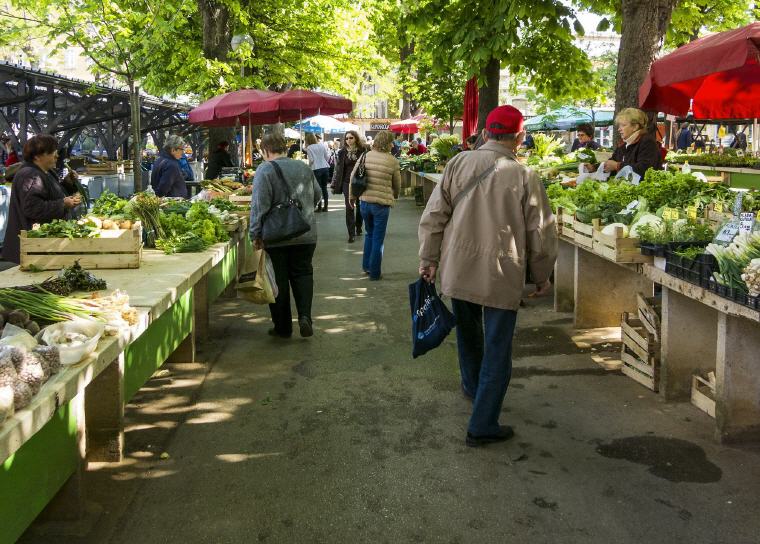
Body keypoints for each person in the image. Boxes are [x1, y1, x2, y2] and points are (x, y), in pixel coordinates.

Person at [418, 106, 557, 447]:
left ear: (486, 133)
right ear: (520, 137)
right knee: (498, 347)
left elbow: (434, 215)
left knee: (468, 334)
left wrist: (428, 259)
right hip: (500, 272)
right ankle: (483, 423)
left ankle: (472, 386)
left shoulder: (458, 163)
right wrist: (541, 276)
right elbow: (541, 233)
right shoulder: (525, 176)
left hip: (458, 266)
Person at [250, 132, 321, 339]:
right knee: (303, 274)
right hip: (306, 232)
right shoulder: (303, 167)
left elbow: (259, 206)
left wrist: (254, 234)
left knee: (277, 280)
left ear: (265, 150)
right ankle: (305, 317)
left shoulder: (265, 170)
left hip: (276, 236)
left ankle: (283, 327)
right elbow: (316, 195)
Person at [2, 134, 82, 263]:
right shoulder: (30, 175)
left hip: (41, 246)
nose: (57, 155)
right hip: (33, 247)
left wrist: (68, 183)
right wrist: (63, 204)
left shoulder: (45, 172)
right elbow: (33, 209)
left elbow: (52, 193)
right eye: (52, 152)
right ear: (37, 156)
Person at [349, 130, 400, 280]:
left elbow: (353, 176)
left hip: (364, 203)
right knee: (378, 238)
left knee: (369, 235)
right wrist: (395, 195)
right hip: (381, 205)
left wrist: (352, 197)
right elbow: (397, 184)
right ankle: (375, 273)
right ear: (389, 143)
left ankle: (367, 267)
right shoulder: (392, 161)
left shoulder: (365, 156)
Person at [603, 108, 662, 178]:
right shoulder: (625, 145)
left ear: (635, 127)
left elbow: (645, 169)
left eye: (623, 125)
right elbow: (612, 161)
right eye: (619, 126)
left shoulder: (647, 142)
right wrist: (594, 167)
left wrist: (617, 166)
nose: (619, 129)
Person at [330, 130, 367, 243]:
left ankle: (358, 227)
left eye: (351, 138)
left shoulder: (363, 151)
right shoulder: (342, 152)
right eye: (346, 138)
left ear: (356, 138)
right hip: (346, 182)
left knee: (360, 206)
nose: (348, 140)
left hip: (360, 182)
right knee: (349, 206)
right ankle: (351, 234)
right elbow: (337, 168)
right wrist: (334, 183)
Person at [304, 133, 332, 212]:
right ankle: (326, 206)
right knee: (324, 188)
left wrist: (308, 167)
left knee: (317, 188)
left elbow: (311, 160)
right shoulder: (322, 145)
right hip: (325, 168)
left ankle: (319, 207)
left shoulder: (309, 147)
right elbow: (326, 157)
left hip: (316, 169)